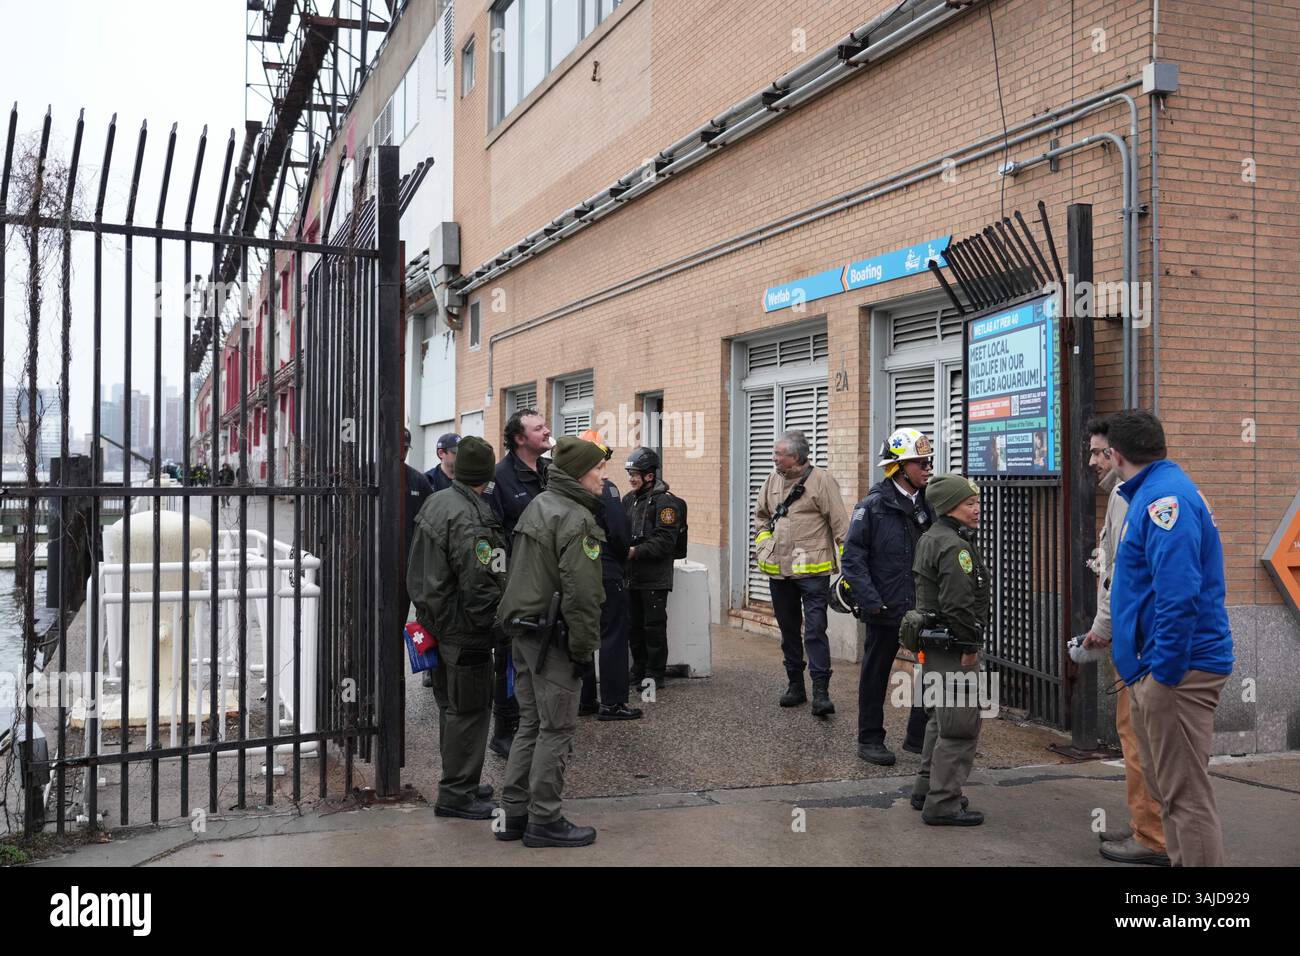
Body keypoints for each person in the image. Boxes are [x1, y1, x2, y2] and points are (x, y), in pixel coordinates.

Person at [1107, 410, 1234, 867]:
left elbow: (1179, 596)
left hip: (1176, 672)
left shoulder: (1165, 501)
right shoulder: (1157, 492)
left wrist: (1164, 673)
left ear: (1116, 454)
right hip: (1158, 668)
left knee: (1186, 798)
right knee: (1172, 793)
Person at [494, 436, 607, 847]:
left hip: (525, 633)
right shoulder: (576, 519)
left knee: (530, 723)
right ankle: (544, 819)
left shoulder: (539, 505)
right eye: (597, 469)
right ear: (579, 474)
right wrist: (582, 650)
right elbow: (583, 596)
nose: (603, 476)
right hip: (551, 639)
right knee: (556, 727)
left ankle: (514, 815)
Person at [1081, 416, 1168, 865]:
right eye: (1091, 452)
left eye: (1100, 452)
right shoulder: (1124, 494)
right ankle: (1144, 822)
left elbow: (1120, 575)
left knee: (1139, 741)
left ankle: (1153, 837)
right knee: (1133, 736)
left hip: (1141, 645)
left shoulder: (1132, 497)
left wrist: (1104, 627)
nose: (1093, 460)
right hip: (1133, 640)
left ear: (1117, 453)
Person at [406, 436, 506, 819]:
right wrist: (497, 626)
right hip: (464, 629)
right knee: (469, 710)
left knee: (452, 707)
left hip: (437, 622)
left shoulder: (439, 500)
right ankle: (456, 794)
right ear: (487, 473)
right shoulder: (471, 516)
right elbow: (480, 582)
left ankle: (459, 780)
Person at [841, 427, 935, 765]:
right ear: (898, 467)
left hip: (922, 607)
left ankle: (918, 736)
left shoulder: (929, 503)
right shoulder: (873, 506)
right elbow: (852, 559)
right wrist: (871, 600)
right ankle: (869, 739)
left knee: (930, 671)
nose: (927, 468)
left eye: (928, 462)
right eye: (919, 463)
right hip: (884, 607)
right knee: (876, 674)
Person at [906, 474, 989, 826]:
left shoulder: (933, 537)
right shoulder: (955, 546)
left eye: (976, 501)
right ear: (950, 506)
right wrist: (969, 647)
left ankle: (927, 788)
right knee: (960, 726)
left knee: (940, 721)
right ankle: (943, 803)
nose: (977, 508)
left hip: (936, 647)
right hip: (954, 648)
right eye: (969, 503)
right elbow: (958, 604)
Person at [754, 430, 849, 716]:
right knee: (788, 632)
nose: (774, 458)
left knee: (815, 631)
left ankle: (821, 692)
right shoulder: (771, 481)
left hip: (813, 574)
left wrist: (850, 572)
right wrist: (763, 545)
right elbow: (761, 517)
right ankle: (796, 686)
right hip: (778, 573)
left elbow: (841, 528)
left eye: (778, 454)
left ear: (796, 456)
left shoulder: (821, 482)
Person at [486, 408, 553, 758]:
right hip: (515, 583)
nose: (547, 431)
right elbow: (492, 535)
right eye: (538, 428)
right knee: (510, 658)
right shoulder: (500, 477)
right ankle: (504, 729)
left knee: (540, 655)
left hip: (547, 580)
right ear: (519, 438)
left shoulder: (548, 471)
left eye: (545, 425)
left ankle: (535, 726)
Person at [577, 430, 641, 721]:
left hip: (577, 571)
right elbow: (618, 532)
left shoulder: (563, 489)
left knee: (584, 636)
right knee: (612, 636)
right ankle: (613, 703)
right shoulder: (607, 489)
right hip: (606, 570)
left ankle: (584, 699)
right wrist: (621, 554)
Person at [622, 446, 685, 693]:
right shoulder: (628, 500)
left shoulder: (666, 504)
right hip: (631, 577)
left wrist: (636, 551)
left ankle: (654, 674)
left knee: (653, 627)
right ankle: (638, 670)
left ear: (650, 475)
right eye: (630, 473)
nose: (631, 478)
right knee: (633, 626)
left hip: (654, 578)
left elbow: (665, 541)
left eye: (635, 473)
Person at [397, 428, 436, 686]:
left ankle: (425, 668)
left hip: (411, 565)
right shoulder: (366, 474)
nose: (401, 451)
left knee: (419, 619)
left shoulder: (418, 481)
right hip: (375, 564)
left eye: (405, 447)